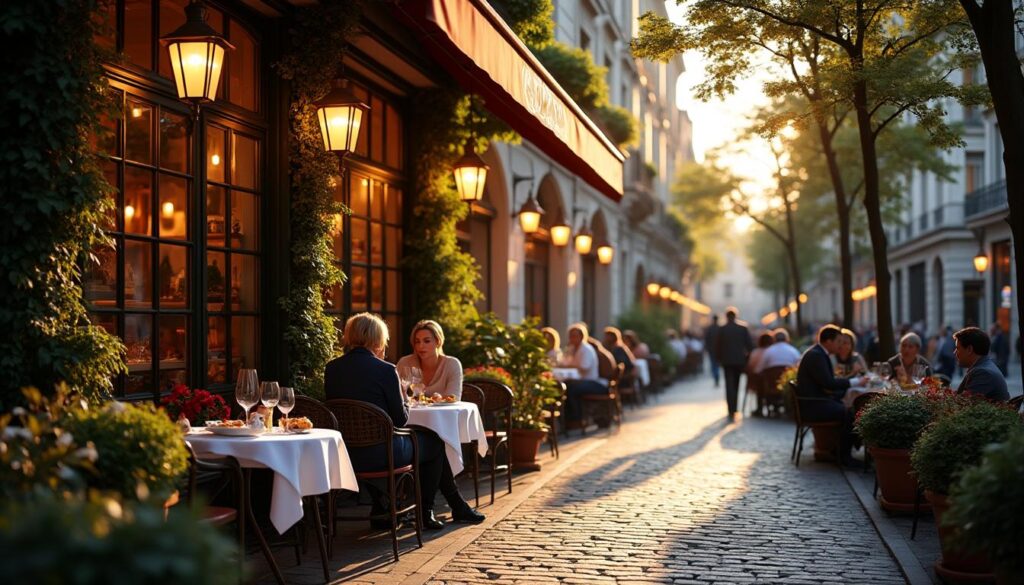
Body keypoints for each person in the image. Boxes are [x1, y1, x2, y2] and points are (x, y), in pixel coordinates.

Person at [324, 313, 483, 530]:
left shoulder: (332, 368)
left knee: (419, 441)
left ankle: (383, 506)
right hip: (384, 452)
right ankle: (425, 512)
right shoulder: (386, 370)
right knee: (435, 442)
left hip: (345, 451)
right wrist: (405, 401)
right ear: (377, 338)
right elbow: (400, 419)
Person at [794, 325, 865, 466]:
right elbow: (828, 383)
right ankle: (843, 455)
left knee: (851, 411)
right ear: (828, 341)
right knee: (851, 414)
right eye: (838, 341)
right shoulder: (817, 356)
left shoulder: (818, 353)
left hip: (815, 402)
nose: (840, 345)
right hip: (814, 407)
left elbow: (826, 383)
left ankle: (838, 451)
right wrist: (855, 381)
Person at [396, 320, 463, 399]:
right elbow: (394, 394)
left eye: (427, 341)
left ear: (438, 341)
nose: (421, 346)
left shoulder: (452, 364)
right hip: (410, 411)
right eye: (417, 342)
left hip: (442, 411)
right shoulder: (405, 363)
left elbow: (453, 398)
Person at [559, 323, 609, 425]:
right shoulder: (572, 349)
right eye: (570, 336)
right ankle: (567, 418)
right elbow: (564, 362)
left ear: (581, 336)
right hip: (580, 380)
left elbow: (584, 367)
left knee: (571, 389)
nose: (572, 338)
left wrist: (569, 366)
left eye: (574, 336)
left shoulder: (586, 349)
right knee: (564, 386)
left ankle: (576, 419)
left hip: (592, 382)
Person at [714, 307, 753, 420]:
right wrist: (746, 359)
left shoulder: (722, 329)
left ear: (727, 316)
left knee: (728, 385)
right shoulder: (742, 328)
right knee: (736, 384)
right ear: (735, 316)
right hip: (739, 361)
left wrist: (718, 359)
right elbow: (749, 346)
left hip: (726, 361)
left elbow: (718, 346)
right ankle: (735, 407)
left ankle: (731, 409)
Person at [954, 326, 1010, 401]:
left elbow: (961, 404)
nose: (955, 352)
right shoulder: (984, 367)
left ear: (969, 349)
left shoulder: (983, 373)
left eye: (957, 348)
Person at [704, 315, 721, 386]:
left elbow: (706, 339)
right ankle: (716, 376)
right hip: (718, 350)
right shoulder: (720, 328)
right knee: (716, 364)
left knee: (714, 364)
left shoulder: (710, 329)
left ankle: (716, 376)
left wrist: (707, 348)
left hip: (712, 350)